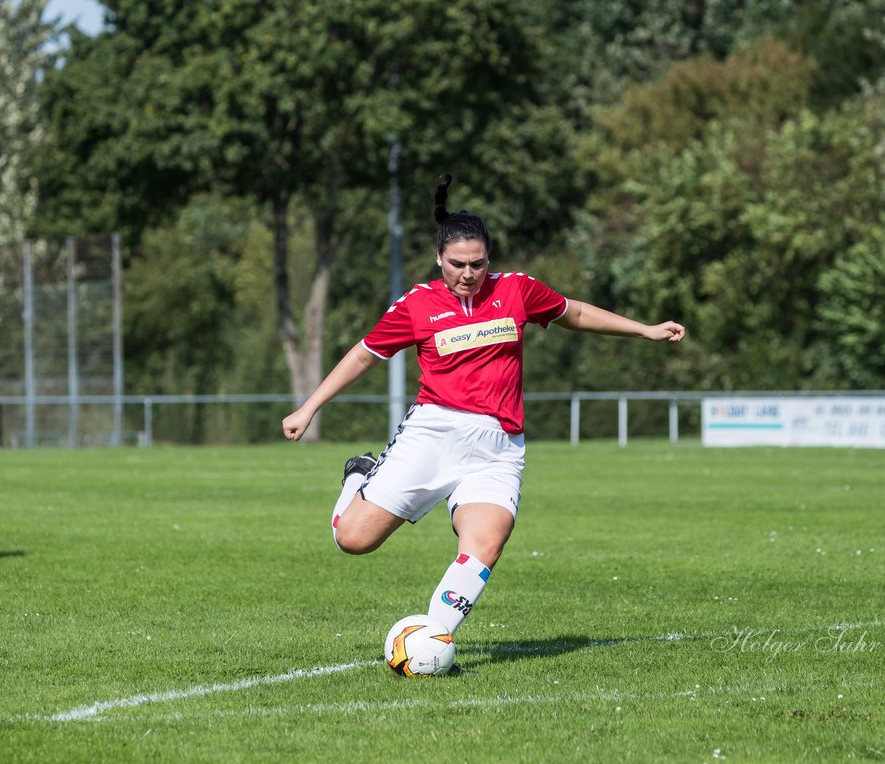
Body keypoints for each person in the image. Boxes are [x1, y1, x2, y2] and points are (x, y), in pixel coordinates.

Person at [281, 175, 684, 662]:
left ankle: (430, 643)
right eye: (457, 265)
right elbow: (365, 354)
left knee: (485, 544)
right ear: (439, 260)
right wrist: (309, 407)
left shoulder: (517, 291)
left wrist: (642, 330)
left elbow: (572, 312)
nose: (468, 274)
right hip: (433, 434)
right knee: (353, 539)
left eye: (478, 264)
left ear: (489, 259)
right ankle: (359, 477)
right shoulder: (418, 305)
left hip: (498, 447)